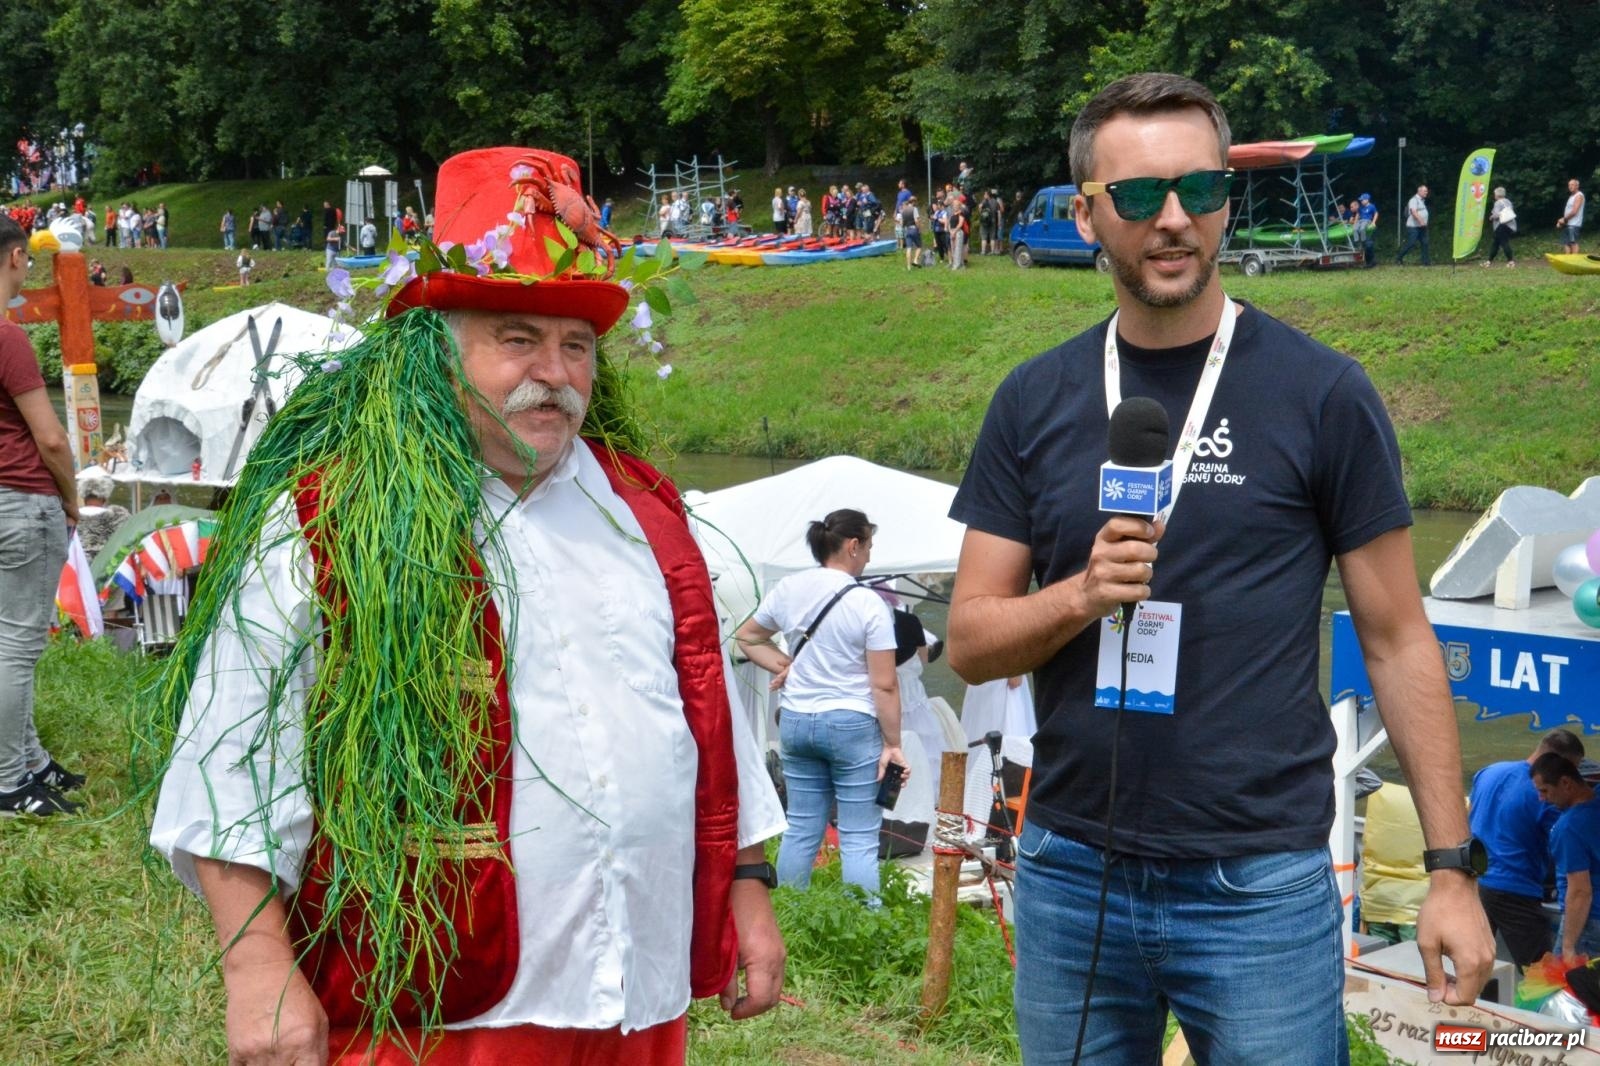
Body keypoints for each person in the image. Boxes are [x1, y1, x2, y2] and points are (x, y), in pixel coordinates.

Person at [147, 146, 786, 1063]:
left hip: (635, 1002)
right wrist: (258, 972)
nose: (554, 373)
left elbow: (708, 720)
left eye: (577, 346)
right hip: (437, 1013)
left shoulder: (648, 513)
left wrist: (747, 888)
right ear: (434, 350)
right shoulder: (333, 519)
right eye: (516, 338)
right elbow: (234, 757)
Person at [945, 72, 1492, 1064]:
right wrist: (1079, 595)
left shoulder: (1322, 393)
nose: (1172, 221)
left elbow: (1397, 634)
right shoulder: (1033, 399)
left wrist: (1449, 870)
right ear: (1085, 215)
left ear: (1226, 199)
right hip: (1074, 870)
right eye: (1139, 196)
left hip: (1259, 884)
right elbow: (971, 638)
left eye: (1197, 191)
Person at [734, 509, 908, 901]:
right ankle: (865, 930)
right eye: (868, 548)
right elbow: (884, 684)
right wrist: (893, 744)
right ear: (852, 546)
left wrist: (786, 666)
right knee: (859, 837)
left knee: (801, 827)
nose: (868, 558)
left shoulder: (789, 588)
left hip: (796, 721)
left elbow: (747, 637)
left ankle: (792, 920)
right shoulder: (868, 604)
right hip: (851, 723)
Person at [0, 214, 85, 816]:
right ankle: (8, 782)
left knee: (8, 639)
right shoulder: (8, 337)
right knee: (17, 646)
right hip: (24, 501)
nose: (27, 268)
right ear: (10, 258)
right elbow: (51, 438)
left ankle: (30, 761)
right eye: (25, 258)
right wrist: (73, 497)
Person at [1470, 729, 1584, 966]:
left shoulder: (1489, 772)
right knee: (1541, 971)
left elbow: (1468, 815)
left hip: (1474, 880)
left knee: (1471, 962)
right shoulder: (1546, 794)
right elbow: (1569, 842)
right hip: (1514, 889)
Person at [1530, 752, 1600, 959]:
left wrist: (1569, 946)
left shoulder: (1568, 828)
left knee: (1569, 986)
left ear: (1566, 783)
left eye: (1545, 791)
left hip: (1588, 923)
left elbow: (1580, 891)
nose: (1541, 799)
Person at [74, 474, 131, 557]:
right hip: (107, 565)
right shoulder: (118, 516)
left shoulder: (72, 516)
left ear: (84, 498)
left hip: (78, 565)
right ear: (104, 498)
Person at [1396, 184, 1431, 266]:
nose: (1426, 192)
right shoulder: (1413, 200)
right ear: (1419, 191)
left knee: (1425, 243)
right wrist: (1421, 221)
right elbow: (1413, 212)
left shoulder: (1422, 201)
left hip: (1422, 227)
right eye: (1425, 191)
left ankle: (1426, 262)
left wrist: (1423, 223)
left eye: (1427, 191)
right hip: (1413, 227)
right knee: (1411, 243)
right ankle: (1399, 258)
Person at [1485, 187, 1518, 267]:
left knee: (1504, 242)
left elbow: (1497, 215)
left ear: (1497, 195)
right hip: (1510, 226)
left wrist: (1491, 217)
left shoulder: (1498, 203)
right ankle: (1489, 261)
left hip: (1501, 226)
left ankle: (1511, 261)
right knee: (1495, 243)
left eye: (1494, 194)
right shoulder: (1508, 202)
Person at [1558, 178, 1585, 253]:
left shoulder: (1579, 195)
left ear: (1577, 186)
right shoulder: (1571, 196)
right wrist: (1562, 221)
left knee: (1573, 242)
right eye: (1569, 185)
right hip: (1568, 223)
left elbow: (1574, 211)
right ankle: (1568, 260)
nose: (1570, 186)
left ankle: (1575, 260)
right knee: (1566, 243)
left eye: (1572, 185)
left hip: (1574, 224)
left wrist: (1564, 219)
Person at [901, 195, 923, 269]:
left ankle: (908, 266)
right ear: (913, 202)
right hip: (914, 229)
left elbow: (902, 223)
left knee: (909, 248)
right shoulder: (914, 209)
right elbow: (917, 220)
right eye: (915, 201)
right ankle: (915, 260)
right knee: (919, 246)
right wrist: (919, 229)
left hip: (907, 230)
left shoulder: (904, 210)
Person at [1358, 192, 1379, 268]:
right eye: (1361, 200)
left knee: (1369, 245)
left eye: (1362, 200)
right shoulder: (1361, 207)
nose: (1361, 201)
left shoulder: (1372, 206)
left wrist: (1373, 222)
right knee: (1365, 246)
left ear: (1367, 200)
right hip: (1363, 229)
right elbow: (1358, 215)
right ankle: (1369, 263)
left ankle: (1371, 262)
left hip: (1369, 229)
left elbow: (1376, 213)